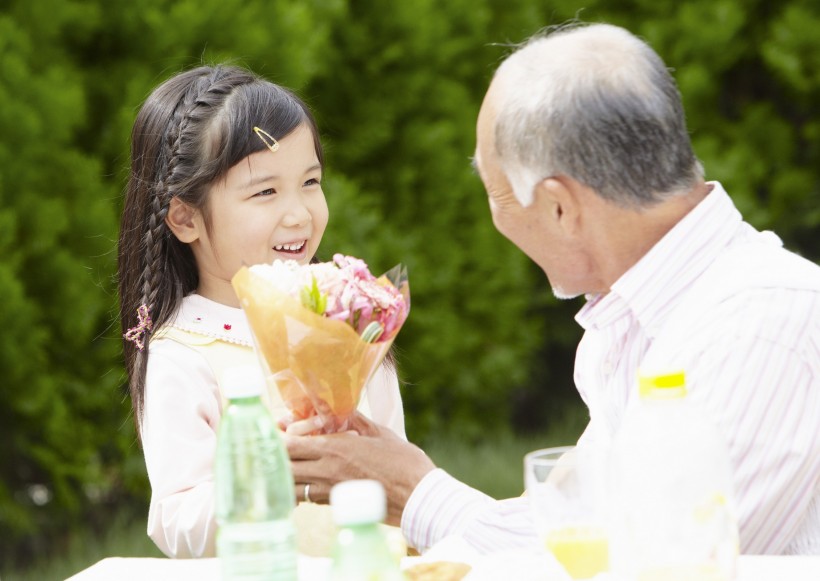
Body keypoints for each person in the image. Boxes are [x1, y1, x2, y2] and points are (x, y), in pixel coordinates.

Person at [286, 22, 820, 556]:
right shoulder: (652, 314)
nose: (495, 218)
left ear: (560, 206)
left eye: (494, 191)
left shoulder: (759, 326)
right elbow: (582, 530)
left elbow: (645, 561)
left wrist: (415, 492)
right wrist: (405, 481)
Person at [117, 64, 406, 558]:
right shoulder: (186, 353)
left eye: (310, 182)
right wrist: (272, 469)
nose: (299, 213)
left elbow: (400, 477)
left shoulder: (347, 322)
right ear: (186, 217)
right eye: (265, 191)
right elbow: (177, 523)